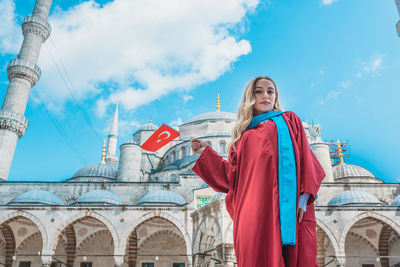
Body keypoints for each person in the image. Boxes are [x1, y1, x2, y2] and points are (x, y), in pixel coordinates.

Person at [191, 76, 325, 267]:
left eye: (270, 91)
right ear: (250, 96)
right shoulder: (242, 138)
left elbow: (306, 161)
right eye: (259, 91)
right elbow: (230, 179)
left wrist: (303, 200)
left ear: (275, 96)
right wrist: (205, 152)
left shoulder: (288, 121)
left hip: (289, 207)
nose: (265, 96)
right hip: (254, 211)